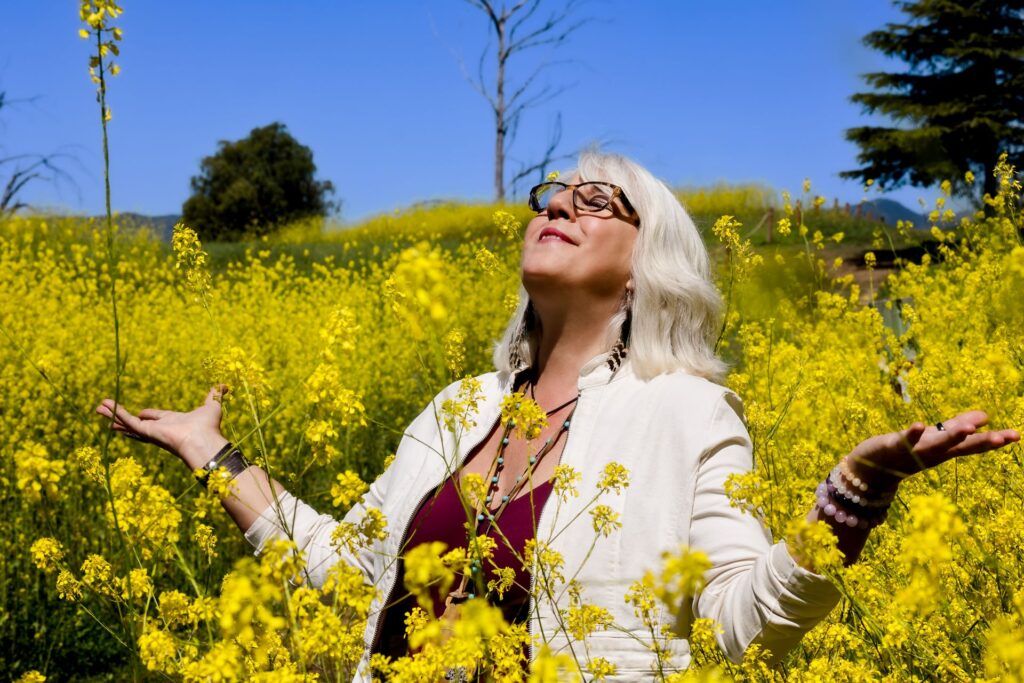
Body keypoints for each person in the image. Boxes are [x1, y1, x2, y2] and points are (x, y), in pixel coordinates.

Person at [96, 151, 1019, 680]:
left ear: (642, 264)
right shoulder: (461, 408)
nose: (561, 207)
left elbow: (749, 622)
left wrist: (854, 495)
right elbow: (347, 572)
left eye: (597, 201)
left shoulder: (687, 413)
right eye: (553, 194)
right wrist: (212, 454)